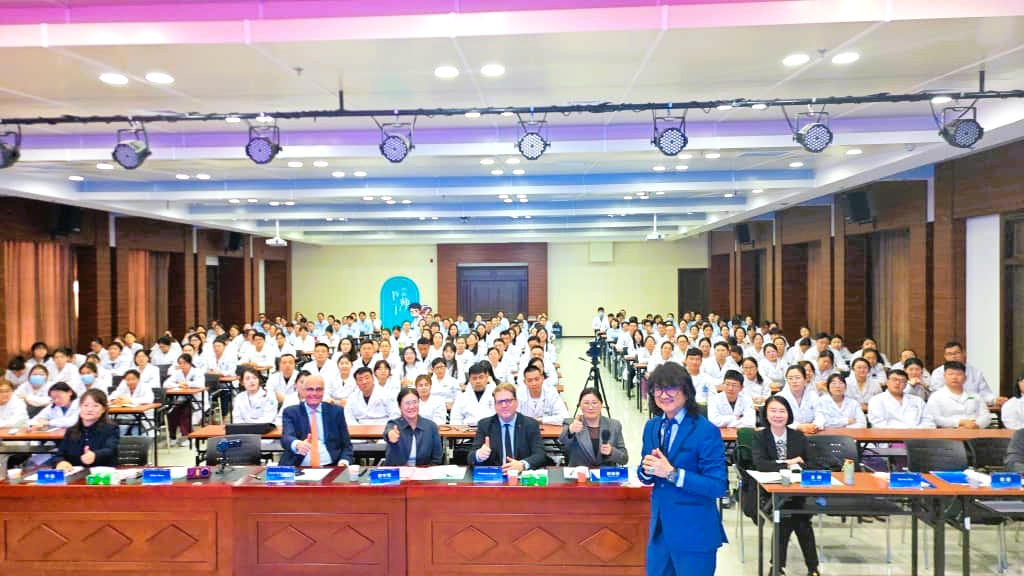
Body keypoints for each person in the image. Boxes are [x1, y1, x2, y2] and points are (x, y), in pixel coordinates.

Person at [637, 362, 727, 576]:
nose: (663, 394)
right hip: (659, 533)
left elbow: (717, 486)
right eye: (658, 389)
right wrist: (645, 470)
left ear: (686, 391)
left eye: (670, 388)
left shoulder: (706, 431)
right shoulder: (652, 427)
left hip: (694, 532)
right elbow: (647, 473)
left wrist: (672, 473)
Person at [752, 395, 820, 576]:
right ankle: (812, 568)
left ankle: (776, 568)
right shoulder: (760, 437)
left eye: (782, 411)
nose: (777, 415)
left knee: (789, 515)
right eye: (773, 411)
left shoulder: (798, 436)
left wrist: (788, 464)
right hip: (769, 492)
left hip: (796, 491)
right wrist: (789, 463)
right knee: (797, 517)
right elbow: (760, 464)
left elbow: (811, 462)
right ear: (765, 414)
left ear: (788, 414)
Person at [279, 375, 354, 467]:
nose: (314, 393)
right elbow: (286, 437)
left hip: (332, 466)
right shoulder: (291, 412)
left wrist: (343, 462)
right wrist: (297, 444)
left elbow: (347, 445)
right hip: (298, 466)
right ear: (303, 391)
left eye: (319, 389)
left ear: (324, 391)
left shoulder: (336, 412)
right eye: (310, 389)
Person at [469, 383, 546, 471]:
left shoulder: (530, 424)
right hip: (495, 478)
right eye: (500, 402)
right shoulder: (485, 425)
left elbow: (540, 454)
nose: (504, 405)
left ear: (516, 402)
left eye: (508, 401)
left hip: (521, 477)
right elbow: (470, 457)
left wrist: (522, 464)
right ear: (495, 405)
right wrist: (479, 455)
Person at [52, 389, 119, 471]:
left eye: (95, 406)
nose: (89, 409)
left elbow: (110, 450)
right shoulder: (71, 431)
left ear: (103, 409)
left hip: (102, 477)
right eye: (85, 405)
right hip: (75, 477)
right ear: (80, 407)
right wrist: (60, 462)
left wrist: (95, 455)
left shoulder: (110, 429)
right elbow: (59, 455)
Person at [559, 387, 627, 467]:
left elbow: (624, 458)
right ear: (580, 405)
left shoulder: (614, 425)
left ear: (601, 405)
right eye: (586, 403)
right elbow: (562, 441)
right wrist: (570, 430)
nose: (590, 407)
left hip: (605, 476)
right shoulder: (571, 423)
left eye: (594, 403)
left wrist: (611, 451)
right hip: (580, 476)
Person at [382, 388, 444, 466]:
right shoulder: (394, 424)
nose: (411, 406)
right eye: (407, 403)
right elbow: (388, 432)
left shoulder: (431, 427)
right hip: (398, 474)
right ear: (400, 406)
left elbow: (437, 459)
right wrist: (390, 435)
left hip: (424, 473)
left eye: (415, 402)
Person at [925, 361, 993, 429]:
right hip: (947, 433)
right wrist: (959, 422)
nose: (954, 377)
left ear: (965, 378)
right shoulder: (936, 396)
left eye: (959, 374)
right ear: (944, 377)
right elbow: (935, 418)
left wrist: (975, 425)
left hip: (974, 431)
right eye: (951, 374)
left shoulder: (975, 396)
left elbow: (986, 417)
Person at [928, 341, 999, 405]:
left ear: (963, 353)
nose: (953, 356)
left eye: (956, 353)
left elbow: (985, 393)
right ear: (945, 356)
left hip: (972, 408)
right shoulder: (938, 373)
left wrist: (995, 400)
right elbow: (938, 395)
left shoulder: (976, 373)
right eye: (949, 354)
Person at [868, 369, 934, 428]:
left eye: (902, 381)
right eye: (894, 380)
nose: (897, 383)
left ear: (906, 385)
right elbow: (878, 424)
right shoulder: (876, 400)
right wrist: (907, 431)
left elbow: (929, 422)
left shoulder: (917, 400)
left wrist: (915, 432)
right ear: (887, 382)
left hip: (916, 437)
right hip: (889, 438)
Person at [162, 353, 205, 446]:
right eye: (180, 363)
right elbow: (166, 384)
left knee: (185, 413)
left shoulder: (197, 371)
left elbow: (200, 384)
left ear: (190, 363)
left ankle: (190, 436)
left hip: (195, 400)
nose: (182, 365)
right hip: (181, 399)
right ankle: (172, 437)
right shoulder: (178, 372)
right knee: (171, 414)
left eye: (184, 363)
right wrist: (178, 385)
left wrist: (187, 384)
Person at [450, 362, 496, 426]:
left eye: (481, 377)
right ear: (470, 380)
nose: (478, 381)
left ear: (487, 377)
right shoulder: (462, 397)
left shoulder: (495, 395)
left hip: (490, 431)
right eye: (474, 378)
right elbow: (455, 419)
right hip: (465, 433)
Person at [777, 365, 819, 434]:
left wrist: (815, 425)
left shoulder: (813, 396)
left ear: (805, 379)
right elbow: (778, 419)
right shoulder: (780, 397)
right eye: (790, 378)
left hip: (811, 432)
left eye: (798, 378)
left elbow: (820, 415)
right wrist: (799, 426)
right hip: (787, 433)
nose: (794, 381)